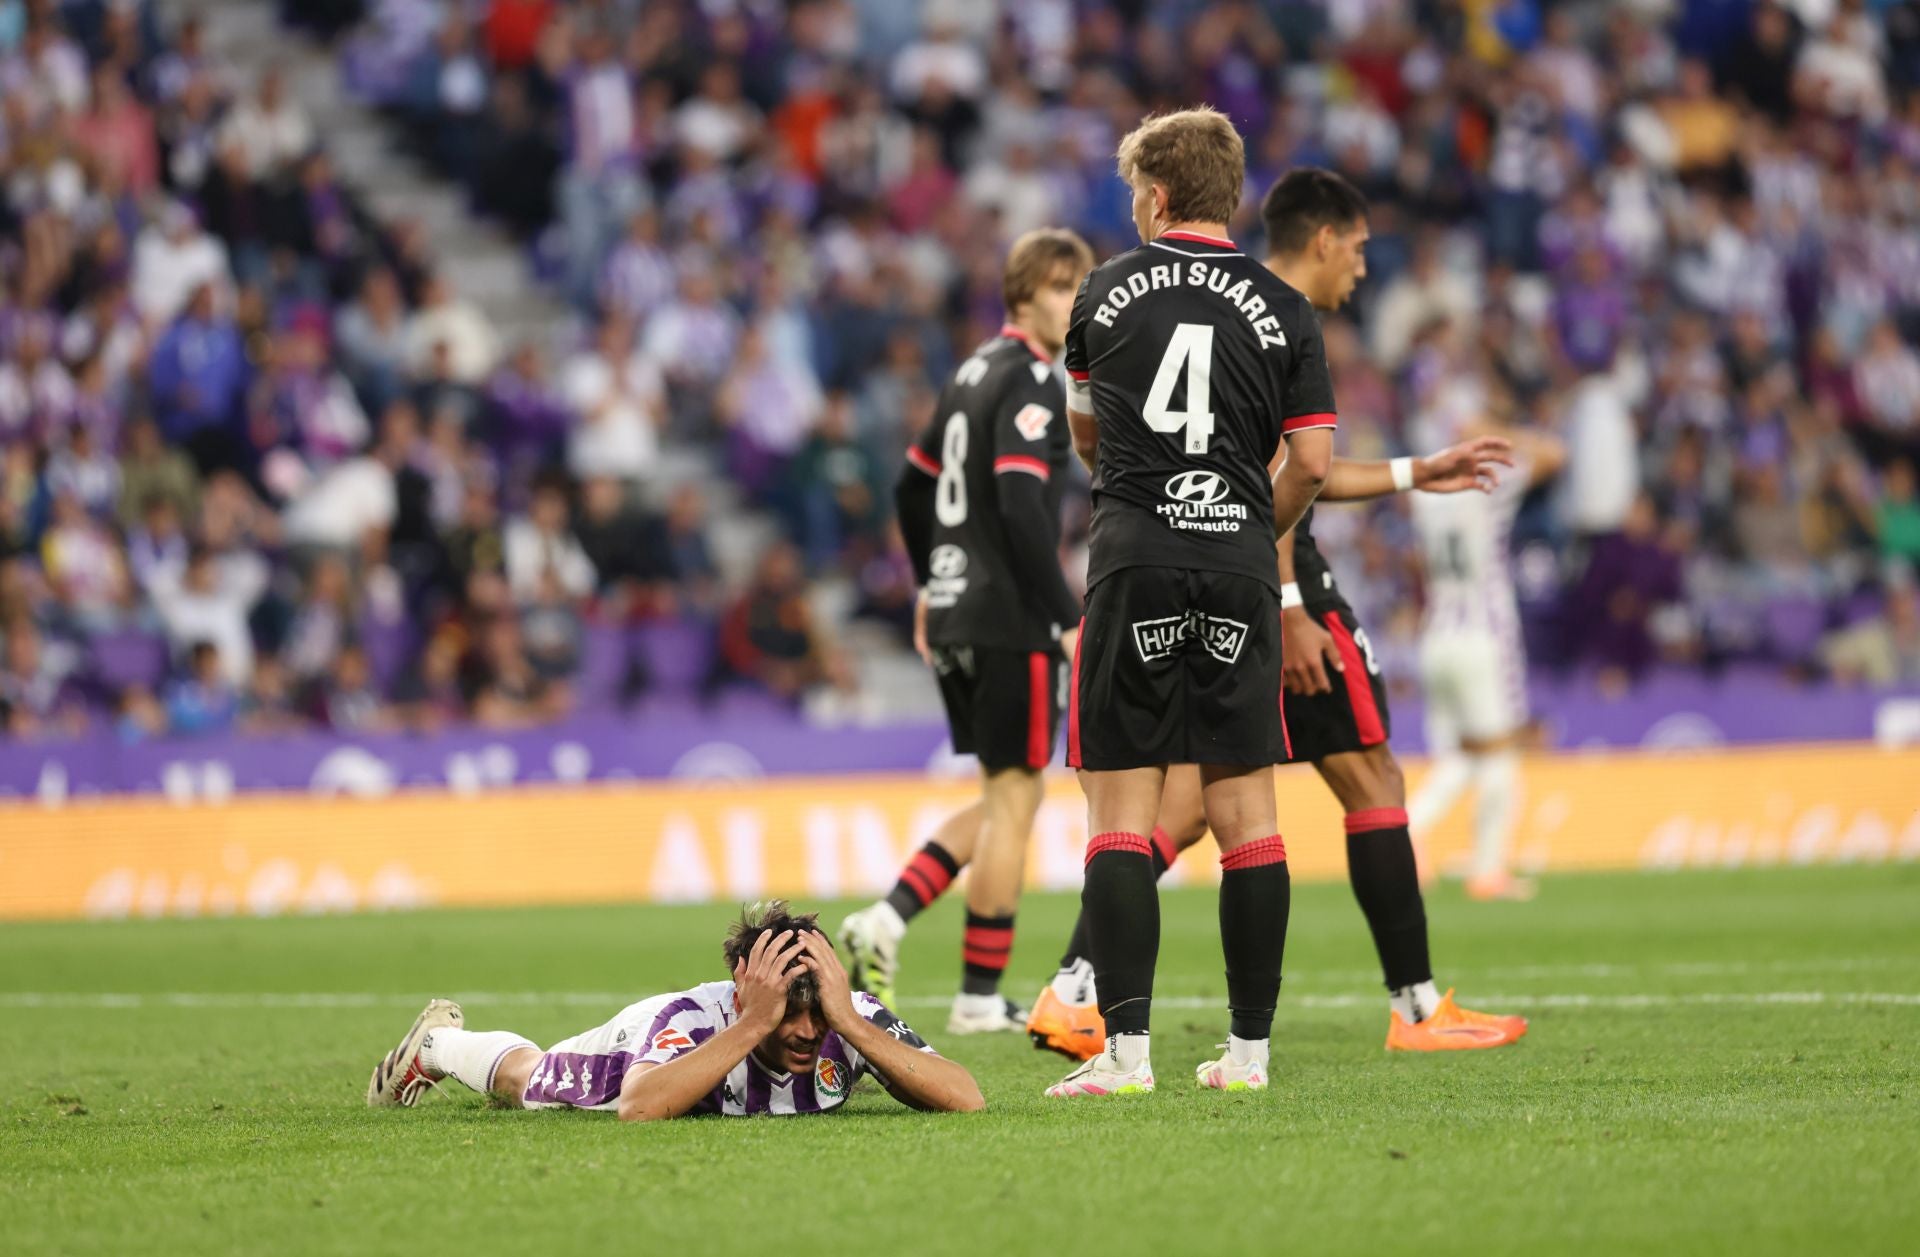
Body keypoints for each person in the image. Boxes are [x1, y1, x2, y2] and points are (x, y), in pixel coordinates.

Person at [1028, 167, 1532, 1065]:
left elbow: (1289, 467)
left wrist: (1418, 470)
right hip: (1265, 578)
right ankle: (1410, 1006)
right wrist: (1291, 598)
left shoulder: (1188, 305)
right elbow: (1284, 473)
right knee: (1354, 780)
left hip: (1201, 563)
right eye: (1362, 251)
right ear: (1325, 240)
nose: (1365, 272)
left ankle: (1075, 988)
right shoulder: (1268, 314)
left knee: (1183, 805)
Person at [1041, 109, 1336, 1099]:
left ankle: (1125, 1058)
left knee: (1122, 812)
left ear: (1157, 198)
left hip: (1134, 559)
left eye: (1135, 195)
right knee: (1248, 811)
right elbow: (1315, 463)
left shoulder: (1102, 290)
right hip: (1240, 566)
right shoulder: (1286, 304)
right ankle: (1247, 1057)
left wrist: (1139, 483)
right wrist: (1253, 524)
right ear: (1232, 196)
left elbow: (1086, 437)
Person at [838, 228, 1093, 1036]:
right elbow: (1021, 506)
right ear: (1023, 294)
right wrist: (1066, 619)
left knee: (1001, 795)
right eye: (1061, 288)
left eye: (1079, 289)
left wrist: (928, 579)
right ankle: (980, 995)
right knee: (1018, 800)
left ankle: (886, 919)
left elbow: (911, 487)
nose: (1073, 303)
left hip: (956, 607)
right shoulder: (1029, 378)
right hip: (1007, 614)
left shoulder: (971, 372)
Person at [366, 902, 984, 1119]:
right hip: (638, 1051)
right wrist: (751, 1024)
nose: (804, 1032)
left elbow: (966, 1096)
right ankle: (436, 1045)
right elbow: (638, 1108)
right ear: (747, 994)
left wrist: (846, 1020)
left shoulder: (845, 1014)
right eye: (786, 1013)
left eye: (816, 1013)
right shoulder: (693, 1022)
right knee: (528, 1079)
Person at [1407, 422, 1567, 900]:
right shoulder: (1486, 484)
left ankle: (1408, 833)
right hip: (1483, 636)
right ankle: (1487, 869)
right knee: (1500, 754)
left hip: (1435, 633)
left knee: (1458, 756)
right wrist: (1495, 427)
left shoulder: (1424, 492)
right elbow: (1555, 452)